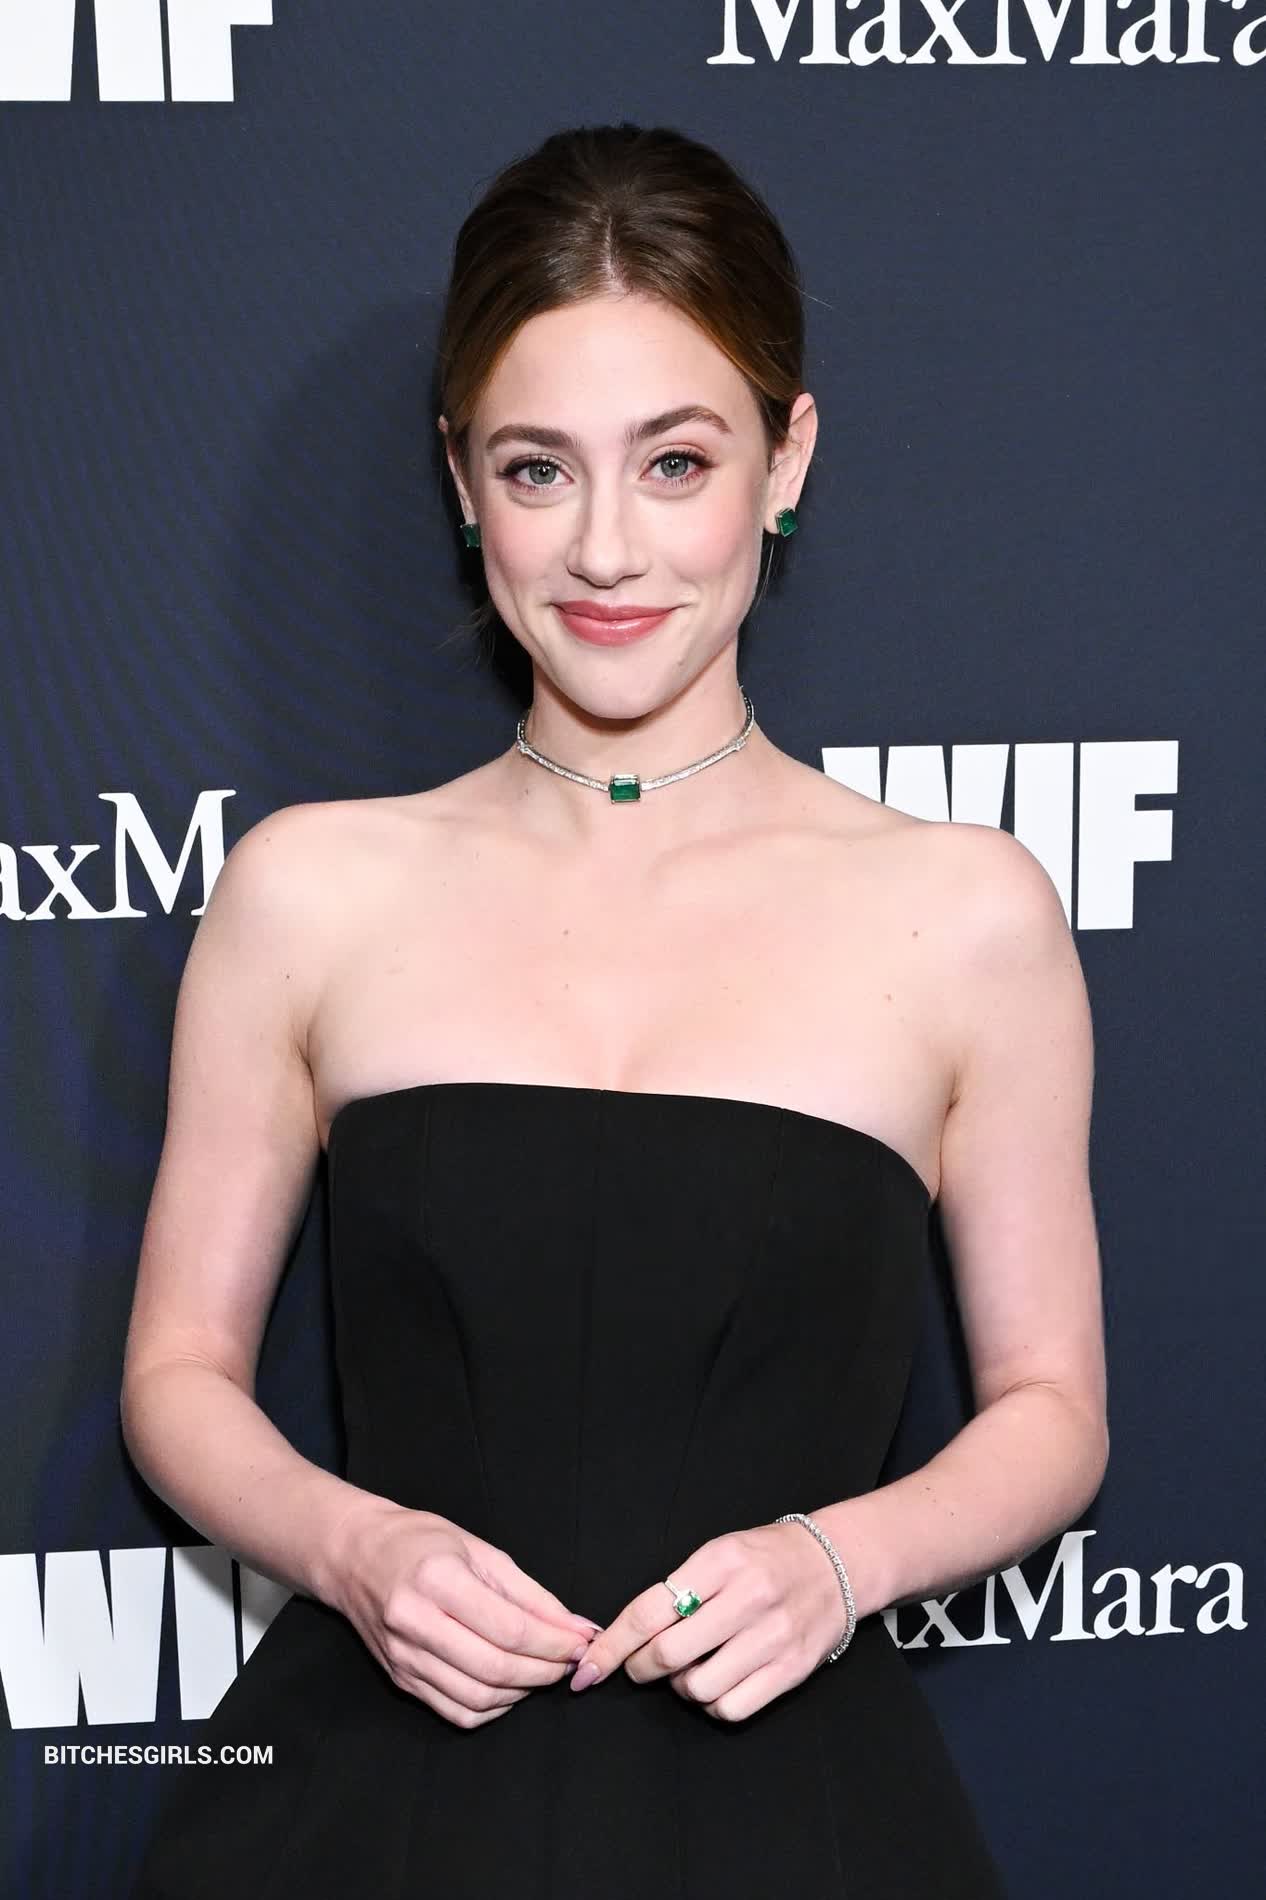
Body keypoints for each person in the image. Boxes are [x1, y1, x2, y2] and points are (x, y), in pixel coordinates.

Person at [124, 121, 1107, 1898]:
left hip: (792, 1813)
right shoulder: (308, 890)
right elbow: (178, 1375)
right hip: (366, 1809)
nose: (602, 548)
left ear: (784, 460)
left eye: (674, 462)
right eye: (536, 468)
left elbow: (1050, 1405)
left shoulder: (965, 911)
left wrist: (841, 1561)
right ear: (460, 480)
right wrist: (354, 1551)